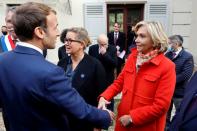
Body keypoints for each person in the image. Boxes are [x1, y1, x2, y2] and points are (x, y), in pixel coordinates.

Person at [0, 2, 114, 131]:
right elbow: (79, 109)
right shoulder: (50, 71)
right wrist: (105, 116)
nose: (59, 34)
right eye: (55, 28)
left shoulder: (2, 61)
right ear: (40, 32)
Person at [98, 21, 176, 131]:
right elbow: (119, 83)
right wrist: (104, 97)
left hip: (146, 126)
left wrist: (132, 118)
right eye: (137, 35)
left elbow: (161, 106)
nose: (136, 40)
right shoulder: (132, 58)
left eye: (142, 36)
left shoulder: (167, 66)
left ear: (155, 40)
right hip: (123, 122)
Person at [57, 27, 108, 131]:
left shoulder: (95, 65)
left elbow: (102, 96)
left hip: (84, 122)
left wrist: (98, 124)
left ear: (82, 44)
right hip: (63, 120)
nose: (66, 43)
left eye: (70, 40)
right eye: (65, 40)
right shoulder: (61, 63)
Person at [165, 35, 194, 130]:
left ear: (176, 44)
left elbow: (186, 74)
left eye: (170, 43)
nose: (168, 45)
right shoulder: (167, 55)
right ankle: (166, 127)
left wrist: (169, 80)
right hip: (168, 91)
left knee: (180, 113)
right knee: (165, 113)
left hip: (179, 92)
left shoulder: (188, 56)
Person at [88, 34, 117, 111]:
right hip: (95, 79)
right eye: (102, 44)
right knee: (97, 98)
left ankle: (109, 116)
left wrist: (105, 54)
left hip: (108, 79)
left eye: (106, 44)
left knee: (109, 98)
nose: (104, 46)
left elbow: (114, 64)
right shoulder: (92, 48)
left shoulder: (112, 49)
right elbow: (91, 63)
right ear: (98, 43)